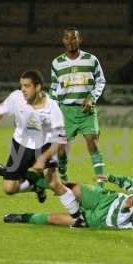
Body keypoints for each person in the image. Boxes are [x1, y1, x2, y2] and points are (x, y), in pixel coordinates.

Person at [0, 70, 67, 204]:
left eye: (27, 86)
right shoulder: (16, 97)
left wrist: (45, 157)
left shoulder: (51, 106)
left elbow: (61, 138)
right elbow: (0, 111)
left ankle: (76, 212)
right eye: (21, 85)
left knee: (53, 182)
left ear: (38, 87)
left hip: (44, 146)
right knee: (9, 188)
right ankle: (36, 185)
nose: (23, 89)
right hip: (20, 145)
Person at [3, 169, 133, 230]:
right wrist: (112, 178)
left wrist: (125, 209)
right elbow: (131, 183)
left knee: (54, 219)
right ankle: (19, 173)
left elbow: (123, 225)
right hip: (105, 198)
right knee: (69, 186)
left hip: (99, 219)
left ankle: (21, 217)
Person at [49, 27, 106, 185]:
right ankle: (63, 176)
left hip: (86, 110)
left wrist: (92, 97)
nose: (70, 41)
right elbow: (53, 88)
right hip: (65, 111)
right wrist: (53, 109)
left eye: (74, 38)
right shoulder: (57, 63)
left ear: (79, 40)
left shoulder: (91, 59)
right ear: (63, 41)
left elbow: (100, 81)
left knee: (92, 143)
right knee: (61, 150)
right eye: (67, 38)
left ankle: (101, 183)